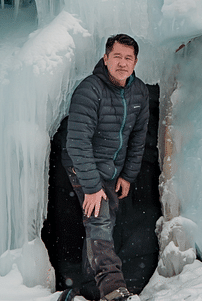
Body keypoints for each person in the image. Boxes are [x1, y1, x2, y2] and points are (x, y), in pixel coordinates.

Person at [60, 34, 149, 301]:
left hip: (112, 170)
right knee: (99, 221)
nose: (122, 63)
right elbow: (76, 142)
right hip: (82, 165)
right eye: (117, 56)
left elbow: (138, 138)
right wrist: (91, 187)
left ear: (135, 62)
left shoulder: (139, 91)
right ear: (106, 58)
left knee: (104, 227)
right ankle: (113, 290)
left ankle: (87, 289)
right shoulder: (90, 90)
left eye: (128, 58)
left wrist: (127, 175)